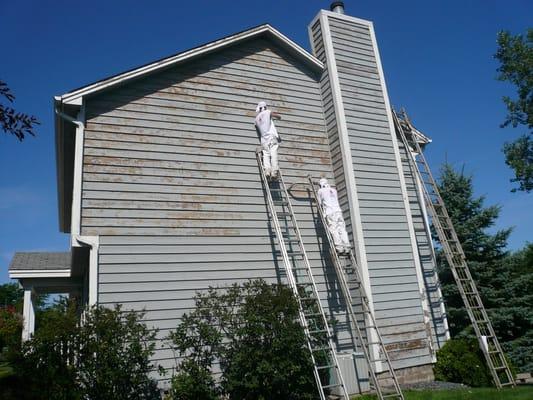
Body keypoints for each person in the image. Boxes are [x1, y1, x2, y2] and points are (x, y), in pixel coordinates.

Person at [317, 178, 351, 255]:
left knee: (334, 229)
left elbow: (319, 203)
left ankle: (339, 248)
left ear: (321, 185)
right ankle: (347, 247)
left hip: (330, 212)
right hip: (338, 211)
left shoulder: (321, 191)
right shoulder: (334, 190)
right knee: (342, 229)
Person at [255, 101, 281, 180]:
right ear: (265, 107)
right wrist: (278, 116)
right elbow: (277, 116)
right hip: (271, 137)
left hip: (263, 139)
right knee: (273, 153)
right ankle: (274, 172)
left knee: (266, 155)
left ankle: (267, 171)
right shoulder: (267, 112)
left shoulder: (256, 119)